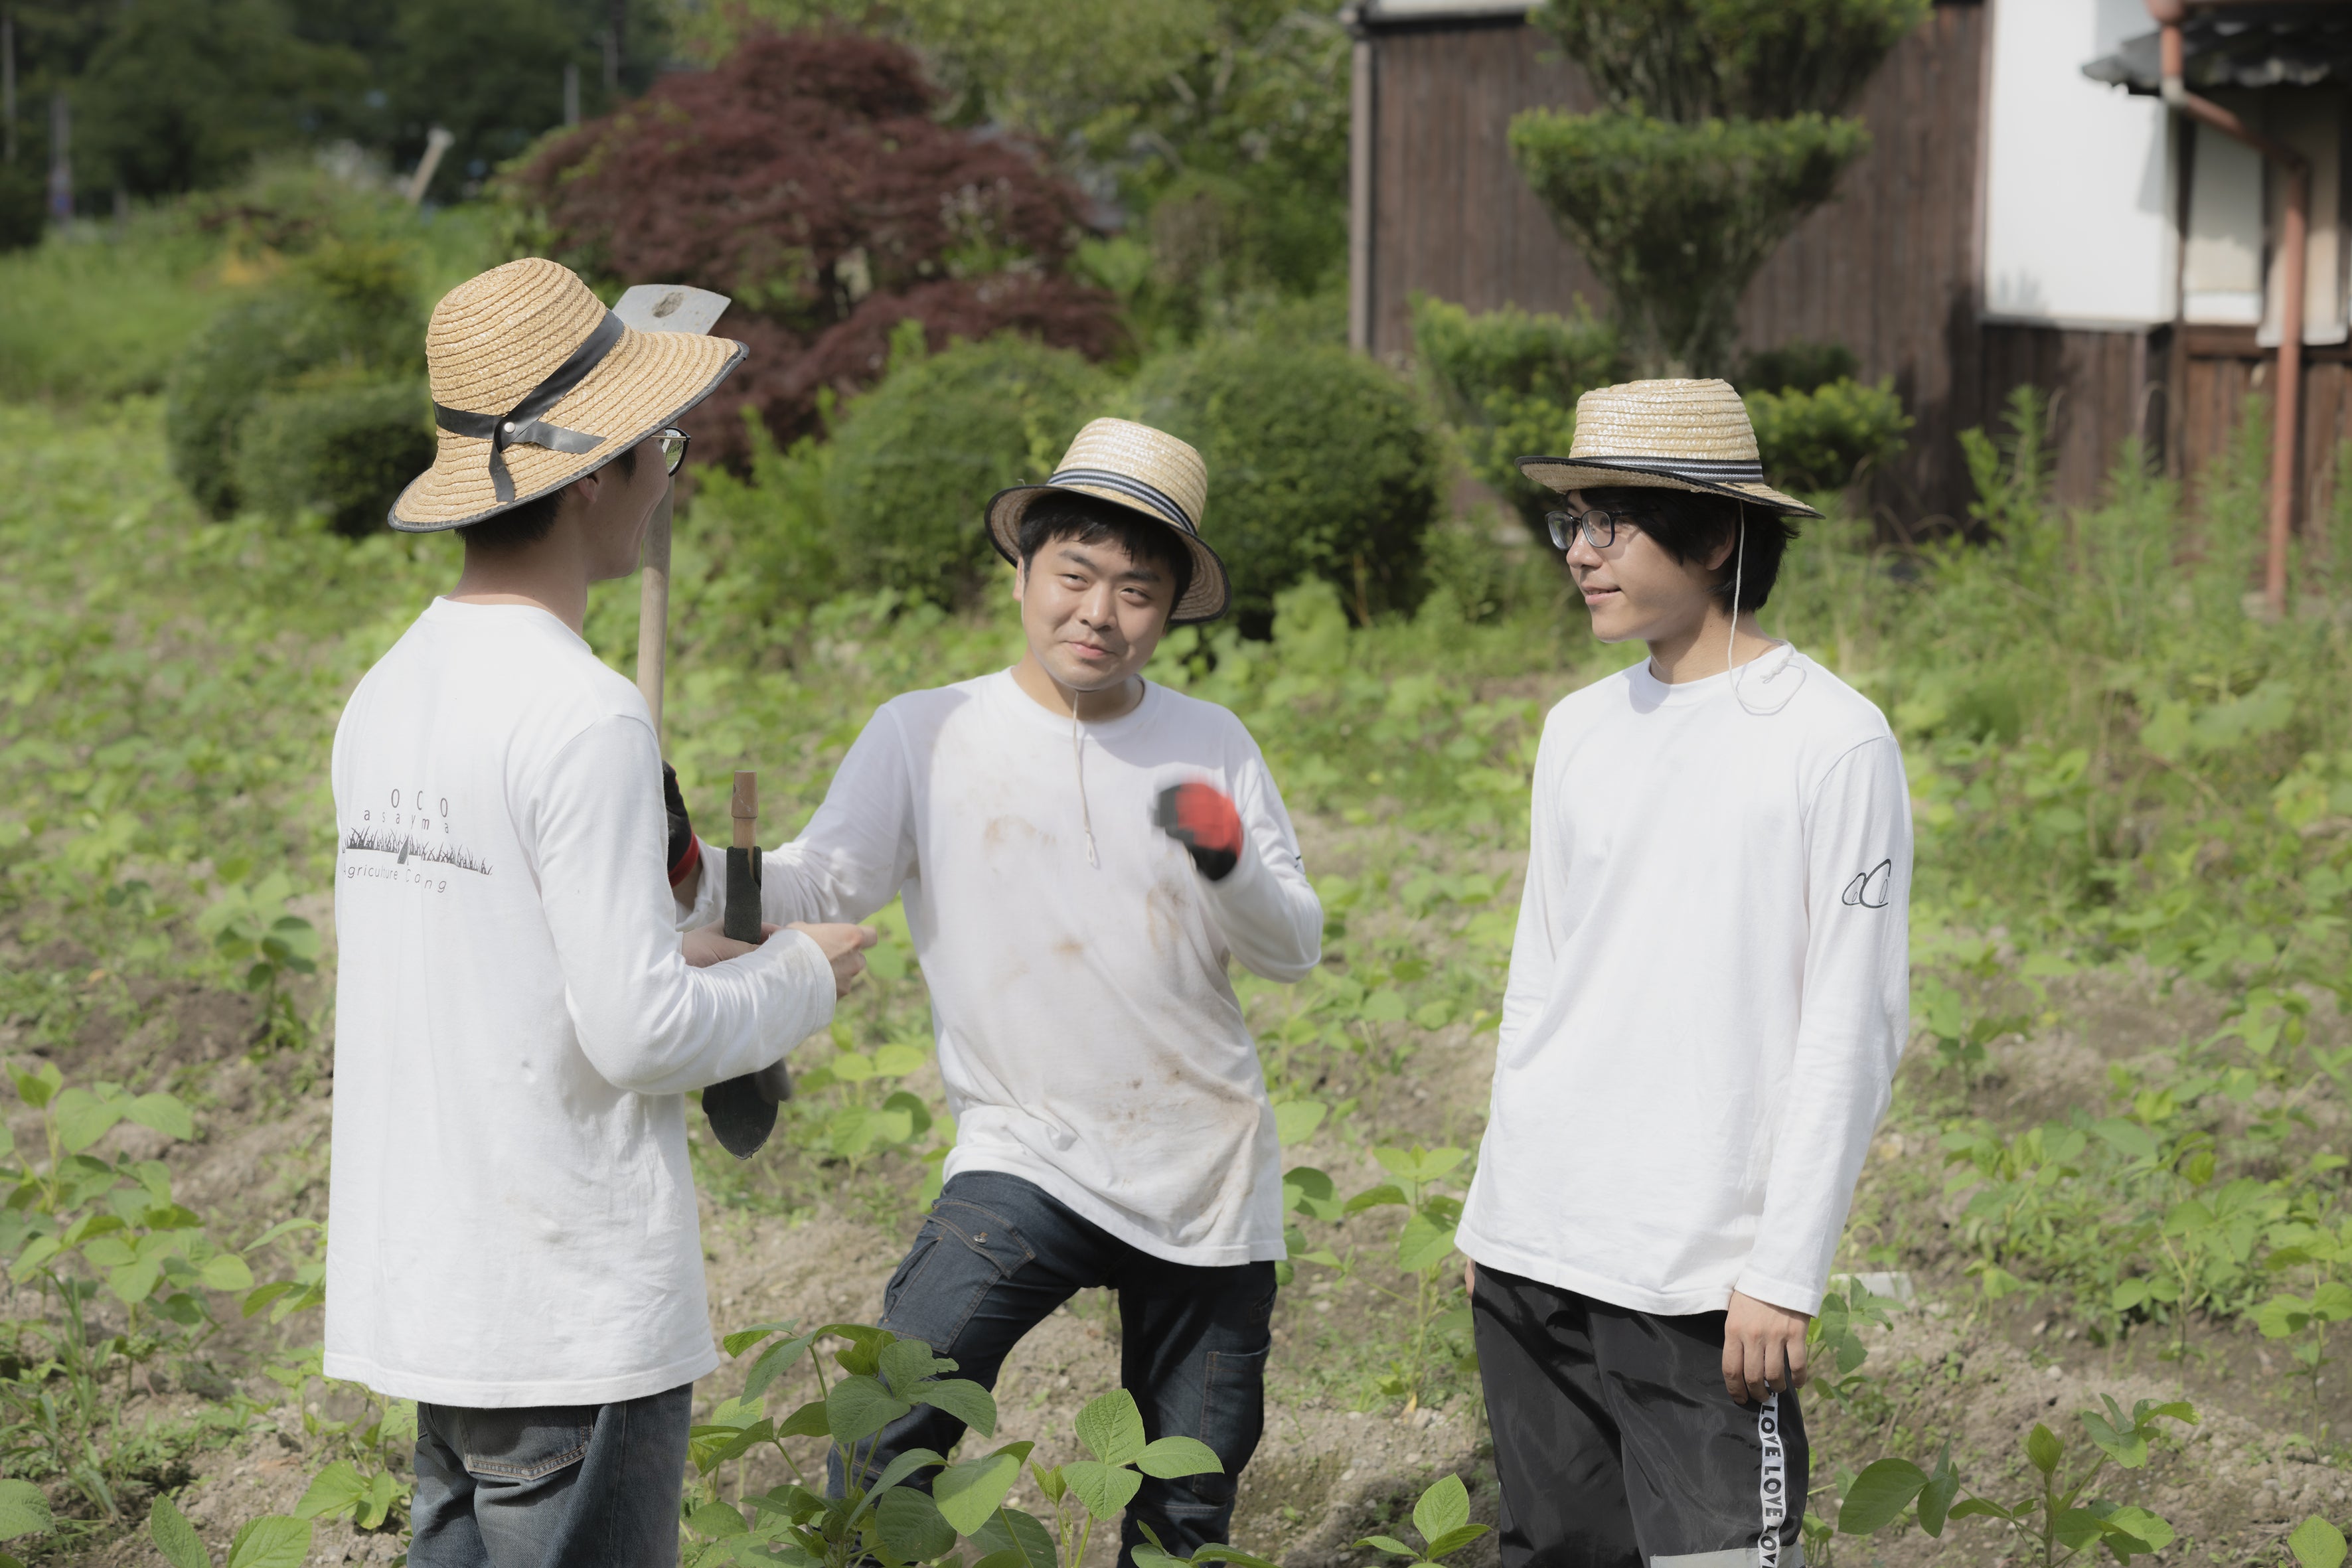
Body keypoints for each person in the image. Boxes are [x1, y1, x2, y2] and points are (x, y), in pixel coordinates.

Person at [678, 418, 1322, 1566]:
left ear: (1170, 609)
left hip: (1206, 1166)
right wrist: (690, 868)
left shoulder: (1211, 742)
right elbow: (823, 879)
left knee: (1187, 1504)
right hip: (1025, 1152)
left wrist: (1228, 856)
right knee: (892, 1419)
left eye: (1136, 589)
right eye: (1074, 575)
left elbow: (1293, 947)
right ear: (1022, 572)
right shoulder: (929, 730)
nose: (1099, 612)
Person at [327, 257, 874, 1568]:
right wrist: (800, 972)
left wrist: (691, 945)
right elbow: (637, 1034)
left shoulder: (388, 690)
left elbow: (503, 969)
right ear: (590, 474)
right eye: (656, 448)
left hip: (442, 1303)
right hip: (566, 1317)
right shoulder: (584, 714)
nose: (664, 478)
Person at [1455, 378, 1913, 1567]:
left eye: (1612, 523)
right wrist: (1495, 1204)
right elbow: (1539, 980)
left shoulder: (1831, 739)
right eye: (1573, 523)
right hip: (1537, 1246)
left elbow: (1852, 1022)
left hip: (1699, 1270)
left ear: (1714, 538)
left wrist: (1784, 1269)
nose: (1581, 553)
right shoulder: (1578, 728)